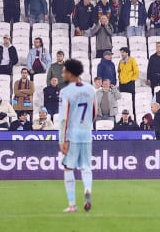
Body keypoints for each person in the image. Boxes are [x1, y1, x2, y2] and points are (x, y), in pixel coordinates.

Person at [58, 58, 96, 212]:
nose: (63, 74)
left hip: (72, 134)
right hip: (86, 132)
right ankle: (87, 189)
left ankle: (72, 204)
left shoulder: (66, 92)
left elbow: (63, 118)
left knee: (68, 167)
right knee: (86, 166)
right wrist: (86, 124)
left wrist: (62, 140)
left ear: (71, 73)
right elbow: (95, 112)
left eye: (64, 71)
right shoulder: (91, 89)